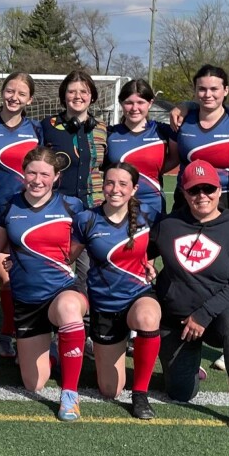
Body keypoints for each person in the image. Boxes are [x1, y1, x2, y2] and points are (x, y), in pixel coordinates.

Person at [152, 160, 229, 433]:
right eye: (194, 190)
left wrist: (203, 314)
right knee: (180, 393)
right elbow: (139, 253)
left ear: (219, 191)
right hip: (177, 321)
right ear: (184, 192)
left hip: (217, 318)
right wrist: (143, 265)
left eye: (208, 189)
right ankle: (191, 366)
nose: (202, 195)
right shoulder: (168, 225)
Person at [0, 148, 90, 421]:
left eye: (45, 174)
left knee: (69, 309)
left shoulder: (71, 206)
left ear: (56, 177)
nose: (37, 180)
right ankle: (54, 351)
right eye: (32, 172)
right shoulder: (8, 206)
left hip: (61, 292)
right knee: (33, 383)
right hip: (27, 300)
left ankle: (70, 393)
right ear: (23, 174)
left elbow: (83, 246)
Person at [72, 162, 163, 419]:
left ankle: (140, 394)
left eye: (123, 184)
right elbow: (65, 257)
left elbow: (161, 245)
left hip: (137, 296)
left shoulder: (148, 215)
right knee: (110, 390)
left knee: (147, 318)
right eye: (110, 183)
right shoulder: (86, 219)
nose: (115, 189)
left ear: (134, 189)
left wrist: (149, 264)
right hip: (104, 304)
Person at [0, 71, 42, 359]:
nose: (14, 97)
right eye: (10, 91)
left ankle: (9, 334)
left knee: (14, 279)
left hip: (23, 213)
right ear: (2, 92)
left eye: (21, 93)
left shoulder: (36, 128)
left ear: (30, 99)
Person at [170, 64, 229, 223]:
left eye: (214, 89)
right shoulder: (181, 121)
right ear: (195, 90)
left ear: (226, 90)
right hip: (188, 197)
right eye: (202, 89)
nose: (208, 94)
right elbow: (171, 159)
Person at [104, 78, 176, 217]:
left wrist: (152, 171)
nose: (134, 108)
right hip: (117, 204)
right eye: (129, 103)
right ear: (121, 103)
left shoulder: (163, 131)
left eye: (140, 102)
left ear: (150, 103)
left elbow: (175, 158)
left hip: (154, 204)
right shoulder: (109, 133)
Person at [41, 70, 107, 208]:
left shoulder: (101, 128)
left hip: (94, 206)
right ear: (64, 96)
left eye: (84, 92)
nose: (78, 96)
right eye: (71, 92)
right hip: (57, 205)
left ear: (92, 97)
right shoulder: (48, 126)